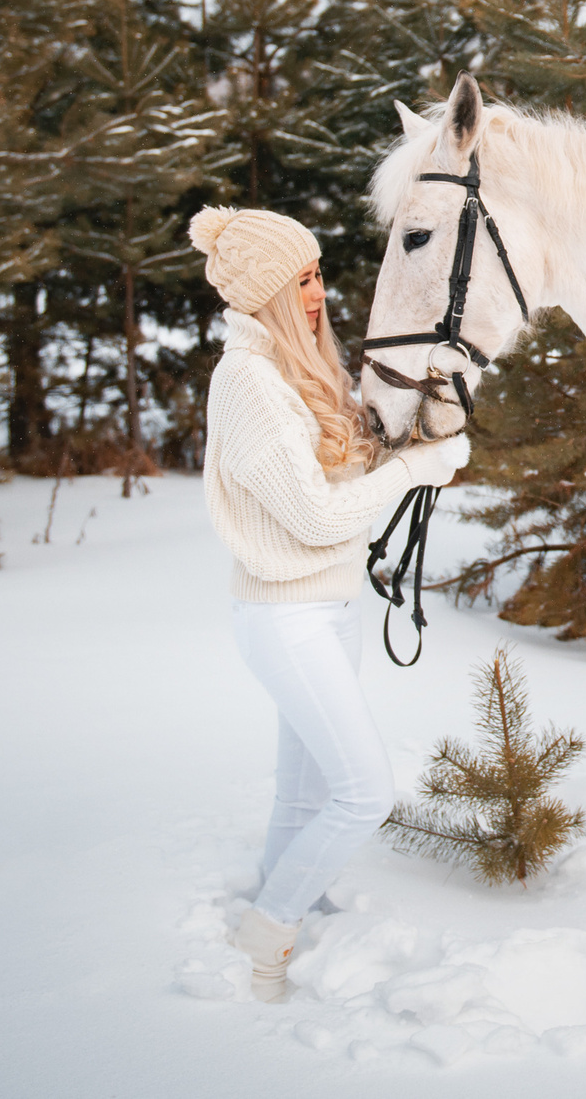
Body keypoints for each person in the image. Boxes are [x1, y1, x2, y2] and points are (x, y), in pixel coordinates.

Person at [189, 205, 469, 1002]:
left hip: (330, 607)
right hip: (285, 617)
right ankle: (270, 931)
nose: (318, 293)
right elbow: (313, 515)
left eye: (316, 276)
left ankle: (295, 907)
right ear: (270, 291)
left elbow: (346, 471)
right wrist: (415, 473)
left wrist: (423, 439)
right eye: (303, 280)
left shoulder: (295, 369)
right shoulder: (246, 383)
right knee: (364, 793)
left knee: (306, 792)